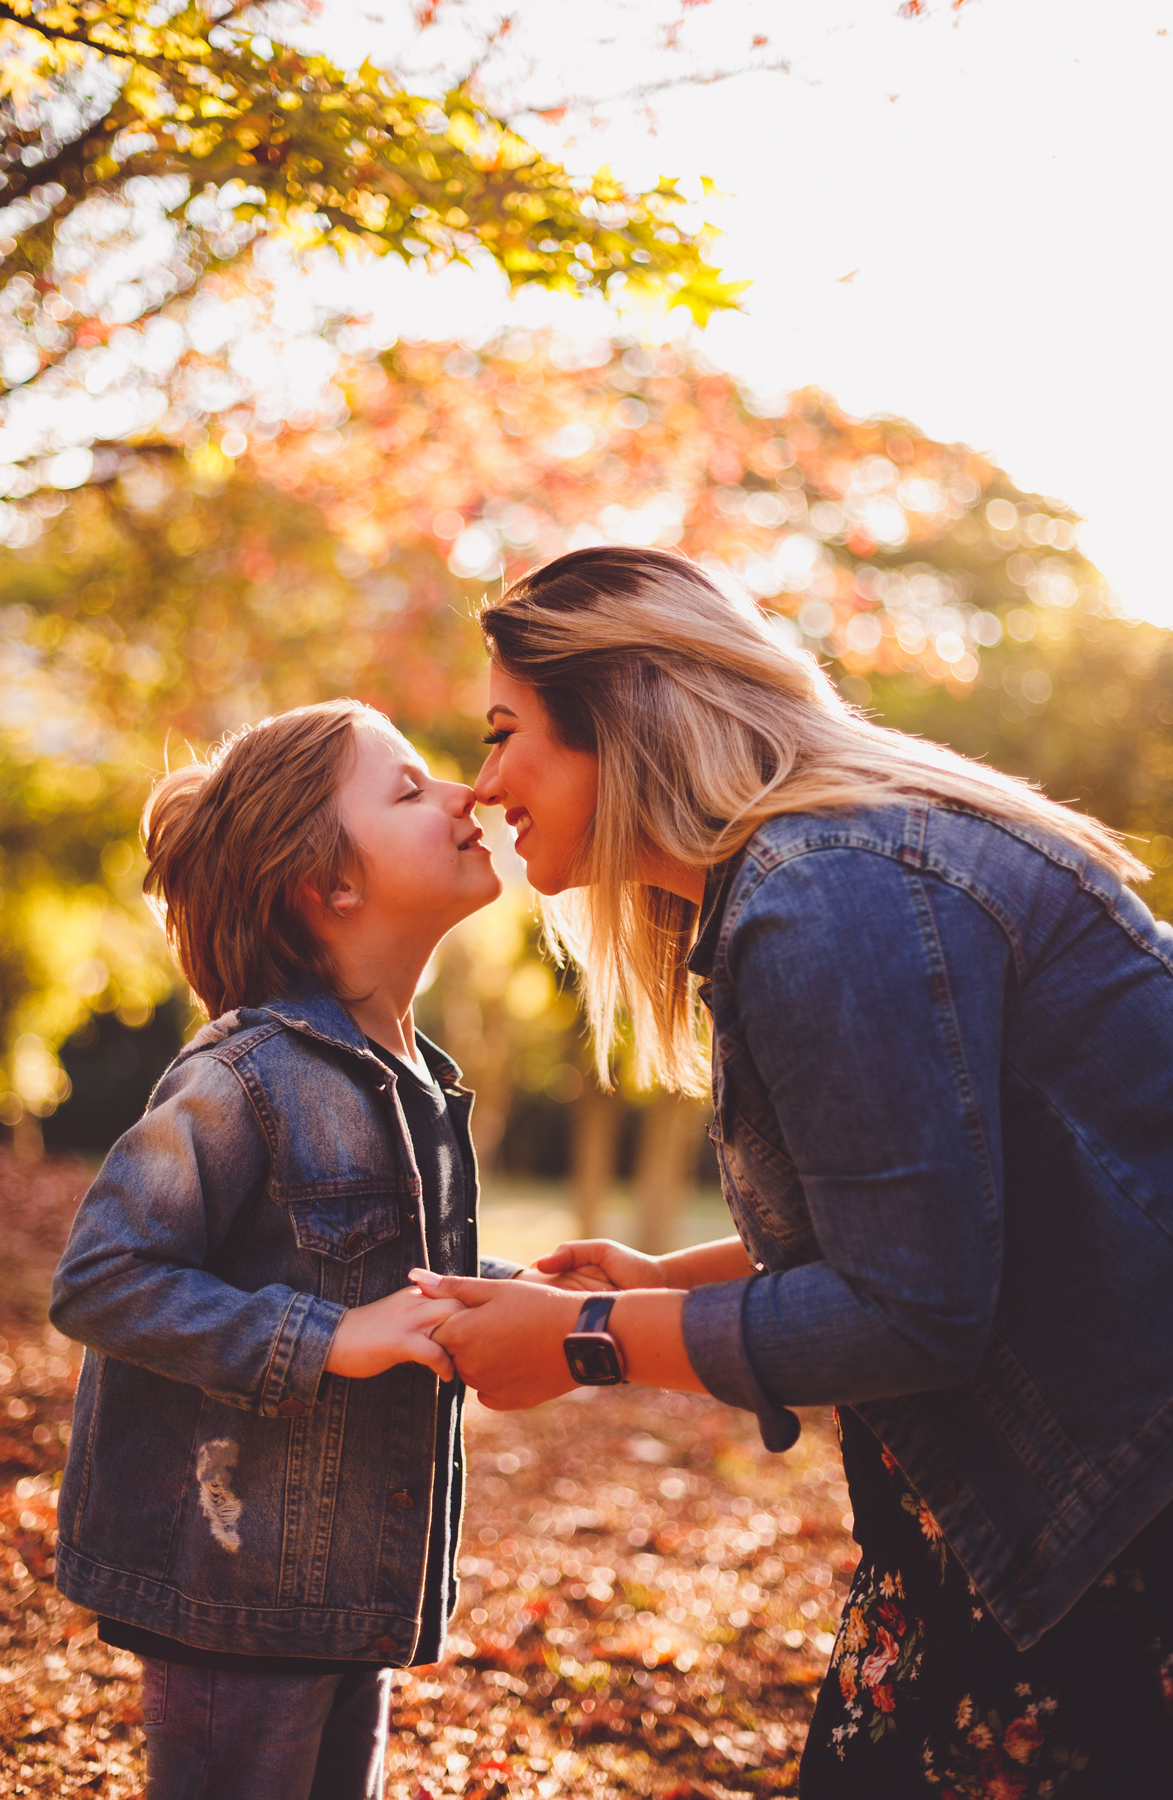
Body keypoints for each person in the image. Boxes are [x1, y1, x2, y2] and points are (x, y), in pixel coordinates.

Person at [415, 546, 1173, 1797]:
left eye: (504, 733)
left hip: (1120, 1524)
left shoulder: (828, 895)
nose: (484, 782)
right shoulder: (813, 874)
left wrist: (587, 1341)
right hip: (1043, 1512)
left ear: (623, 718)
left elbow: (913, 1309)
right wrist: (664, 1283)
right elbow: (927, 1220)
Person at [49, 699, 527, 1800]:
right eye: (409, 788)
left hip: (349, 1584)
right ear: (330, 887)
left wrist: (528, 1297)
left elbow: (381, 1285)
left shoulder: (416, 1083)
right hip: (232, 1592)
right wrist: (327, 1340)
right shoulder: (245, 1076)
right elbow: (103, 1279)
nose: (465, 791)